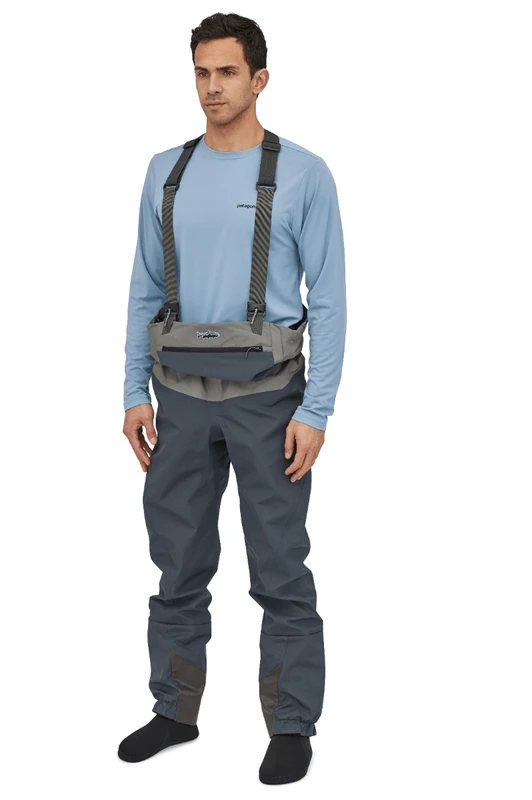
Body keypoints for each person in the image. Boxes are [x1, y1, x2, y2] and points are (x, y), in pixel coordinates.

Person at [117, 12, 346, 785]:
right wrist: (133, 392)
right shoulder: (165, 171)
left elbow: (331, 301)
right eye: (201, 73)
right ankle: (174, 711)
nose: (211, 87)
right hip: (176, 400)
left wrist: (316, 410)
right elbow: (144, 289)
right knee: (177, 562)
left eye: (226, 72)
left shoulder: (305, 174)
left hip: (270, 401)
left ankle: (291, 724)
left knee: (279, 566)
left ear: (259, 79)